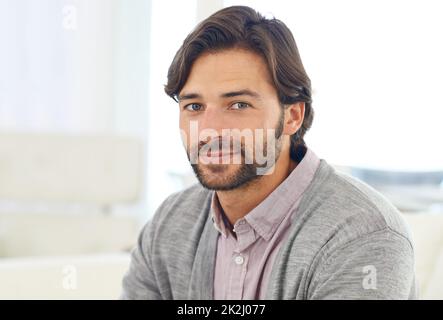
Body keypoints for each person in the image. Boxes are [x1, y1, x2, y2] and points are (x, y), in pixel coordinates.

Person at [121, 5, 417, 300]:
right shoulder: (169, 224)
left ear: (292, 117)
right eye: (194, 107)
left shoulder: (364, 235)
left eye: (238, 105)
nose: (209, 130)